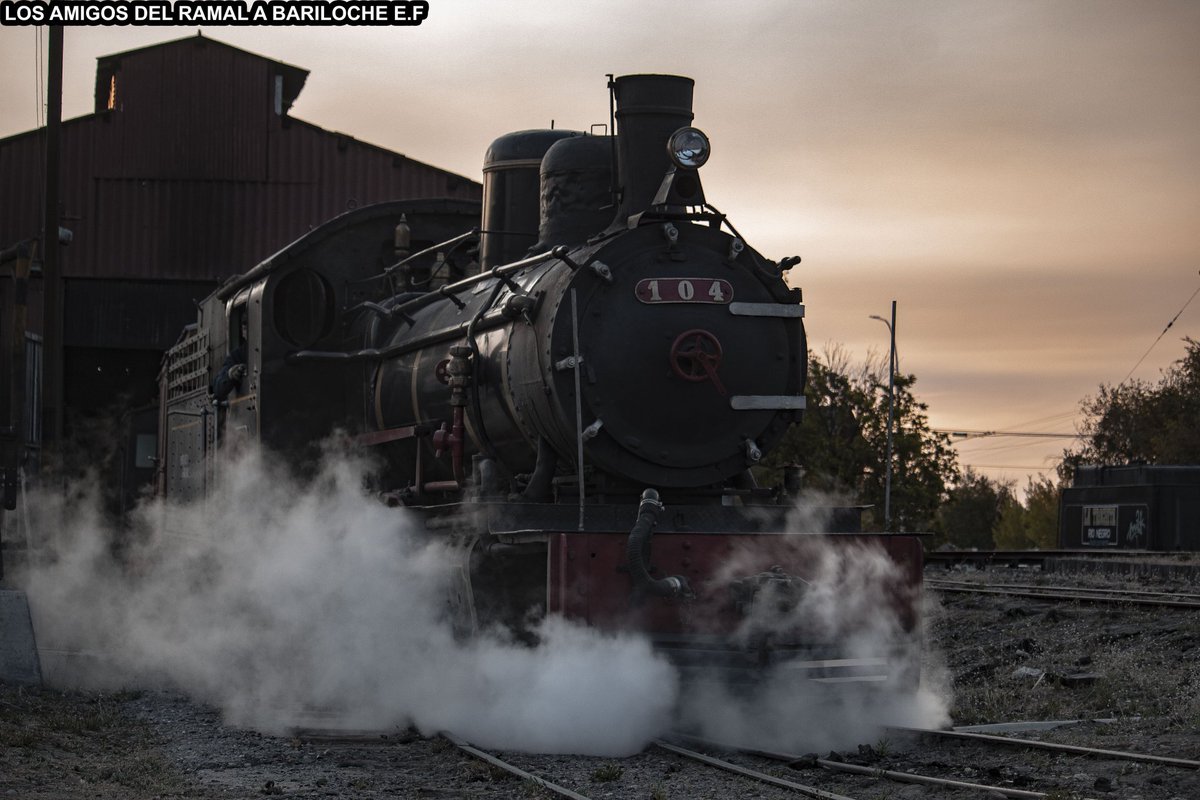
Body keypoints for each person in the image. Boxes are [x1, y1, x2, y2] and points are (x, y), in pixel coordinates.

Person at [212, 318, 248, 401]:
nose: (248, 332)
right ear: (242, 332)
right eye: (245, 329)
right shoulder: (237, 355)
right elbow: (218, 387)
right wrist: (230, 374)